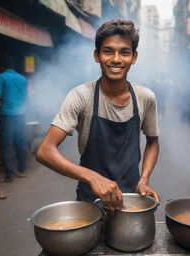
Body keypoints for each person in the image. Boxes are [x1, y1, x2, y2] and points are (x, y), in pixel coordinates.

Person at [36, 19, 160, 210]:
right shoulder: (80, 96)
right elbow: (45, 151)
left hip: (131, 200)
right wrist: (93, 177)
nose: (116, 59)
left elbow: (152, 141)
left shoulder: (145, 97)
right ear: (97, 55)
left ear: (134, 57)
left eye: (124, 52)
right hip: (89, 203)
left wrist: (143, 180)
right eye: (108, 51)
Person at [0, 57, 28, 182]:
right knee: (21, 142)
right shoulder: (22, 78)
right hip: (21, 114)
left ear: (2, 66)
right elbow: (26, 97)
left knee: (7, 145)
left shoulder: (1, 77)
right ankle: (22, 169)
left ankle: (9, 175)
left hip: (7, 115)